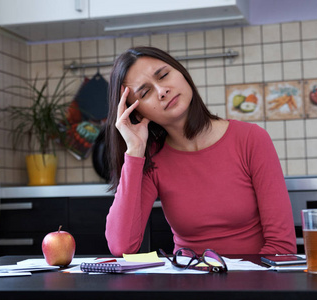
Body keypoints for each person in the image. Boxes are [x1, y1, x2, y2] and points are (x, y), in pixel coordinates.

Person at [104, 46, 296, 256]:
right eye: (146, 92)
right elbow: (121, 246)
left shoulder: (251, 139)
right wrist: (134, 151)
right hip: (189, 283)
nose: (162, 91)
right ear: (136, 112)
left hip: (254, 282)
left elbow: (282, 247)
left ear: (181, 73)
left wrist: (245, 284)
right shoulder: (152, 159)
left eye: (164, 75)